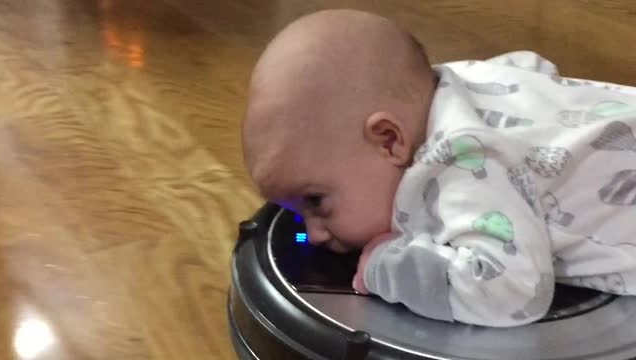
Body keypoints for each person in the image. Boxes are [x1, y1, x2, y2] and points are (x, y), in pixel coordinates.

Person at [241, 8, 636, 327]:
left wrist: (386, 266)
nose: (312, 234)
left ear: (389, 140)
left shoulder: (463, 165)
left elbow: (511, 291)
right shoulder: (457, 78)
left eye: (315, 201)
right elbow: (531, 65)